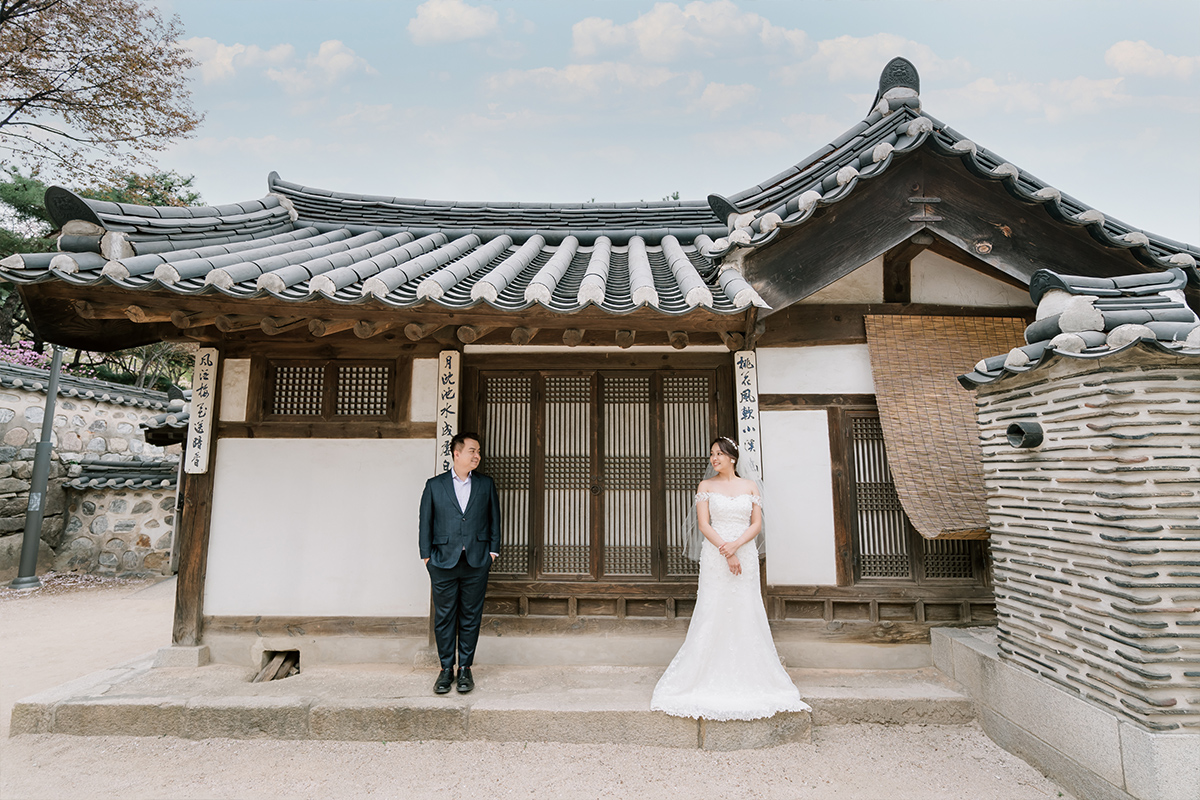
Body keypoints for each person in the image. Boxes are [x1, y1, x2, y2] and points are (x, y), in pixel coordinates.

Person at [651, 436, 810, 720]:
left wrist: (736, 546)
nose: (714, 459)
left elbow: (757, 523)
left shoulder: (750, 486)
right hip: (715, 554)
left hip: (744, 552)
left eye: (719, 454)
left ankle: (753, 673)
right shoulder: (706, 486)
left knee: (745, 608)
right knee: (713, 608)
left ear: (732, 458)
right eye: (711, 454)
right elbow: (703, 524)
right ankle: (703, 673)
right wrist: (726, 551)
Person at [418, 432, 501, 695]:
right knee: (444, 617)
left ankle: (465, 668)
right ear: (456, 453)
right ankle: (445, 669)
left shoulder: (486, 485)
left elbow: (494, 520)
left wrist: (493, 553)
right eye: (472, 451)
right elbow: (425, 522)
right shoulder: (435, 485)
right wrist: (426, 556)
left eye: (478, 452)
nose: (477, 456)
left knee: (470, 616)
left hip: (477, 560)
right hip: (442, 561)